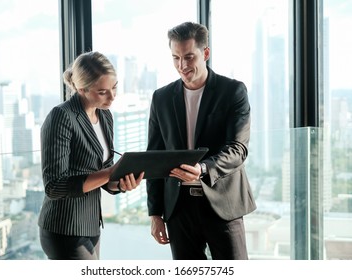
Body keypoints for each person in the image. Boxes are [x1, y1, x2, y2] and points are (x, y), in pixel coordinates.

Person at [147, 22, 257, 260]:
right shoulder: (161, 98)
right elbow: (154, 156)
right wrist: (155, 214)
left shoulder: (233, 91)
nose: (182, 65)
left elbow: (238, 149)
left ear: (205, 53)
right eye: (175, 57)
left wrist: (202, 169)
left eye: (189, 56)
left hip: (223, 204)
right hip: (179, 208)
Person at [38, 51, 144, 260]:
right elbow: (54, 186)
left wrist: (121, 183)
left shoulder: (104, 115)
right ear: (81, 89)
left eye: (114, 88)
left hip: (91, 225)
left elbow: (105, 176)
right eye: (102, 91)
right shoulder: (62, 117)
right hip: (64, 227)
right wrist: (110, 173)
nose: (112, 97)